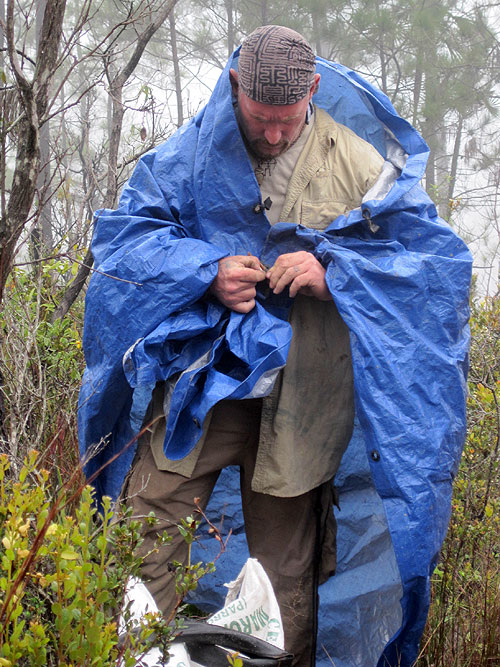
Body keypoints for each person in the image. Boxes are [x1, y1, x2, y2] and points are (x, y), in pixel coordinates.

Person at [79, 24, 472, 667]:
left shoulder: (358, 166)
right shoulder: (191, 155)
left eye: (287, 121)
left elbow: (430, 267)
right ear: (236, 86)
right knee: (143, 538)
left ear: (313, 91)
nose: (272, 135)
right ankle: (132, 657)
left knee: (283, 580)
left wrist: (334, 275)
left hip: (305, 401)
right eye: (259, 118)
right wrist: (205, 271)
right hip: (203, 389)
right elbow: (127, 243)